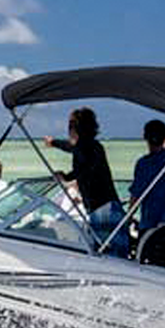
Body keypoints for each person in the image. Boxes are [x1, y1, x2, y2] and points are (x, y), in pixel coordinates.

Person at [44, 107, 125, 253]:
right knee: (112, 252)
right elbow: (83, 169)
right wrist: (66, 176)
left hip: (102, 208)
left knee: (108, 254)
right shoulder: (93, 147)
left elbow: (74, 150)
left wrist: (53, 142)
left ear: (75, 128)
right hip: (105, 206)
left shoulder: (86, 147)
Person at [130, 119, 165, 232]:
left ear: (145, 138)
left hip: (150, 226)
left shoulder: (143, 164)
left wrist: (129, 217)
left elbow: (136, 197)